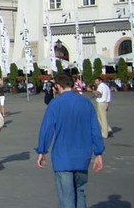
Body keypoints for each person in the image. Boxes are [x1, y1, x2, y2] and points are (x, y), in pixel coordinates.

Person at [36, 72, 104, 207]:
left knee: (66, 197)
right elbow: (95, 130)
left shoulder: (55, 104)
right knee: (80, 192)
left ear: (58, 86)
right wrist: (98, 153)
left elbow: (47, 129)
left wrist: (42, 151)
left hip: (63, 157)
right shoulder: (86, 103)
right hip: (82, 155)